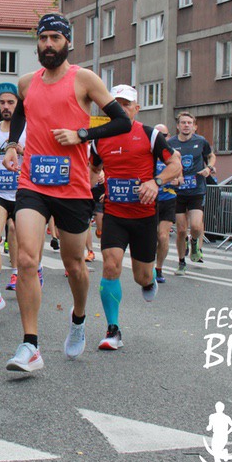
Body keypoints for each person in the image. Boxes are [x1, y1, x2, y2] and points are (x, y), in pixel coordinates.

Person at [2, 13, 131, 373]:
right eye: (43, 38)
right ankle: (30, 345)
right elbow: (21, 114)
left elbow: (122, 121)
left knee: (74, 265)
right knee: (27, 259)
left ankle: (78, 318)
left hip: (72, 186)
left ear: (67, 42)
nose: (48, 44)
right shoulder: (27, 83)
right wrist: (12, 144)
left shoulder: (84, 79)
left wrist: (82, 135)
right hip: (32, 183)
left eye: (55, 38)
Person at [87, 85, 181, 350]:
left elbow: (175, 165)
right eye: (115, 104)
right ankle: (113, 330)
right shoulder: (99, 139)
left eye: (126, 104)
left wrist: (156, 182)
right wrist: (91, 187)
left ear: (136, 109)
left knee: (141, 276)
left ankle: (148, 280)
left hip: (144, 216)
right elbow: (93, 168)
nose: (120, 108)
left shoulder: (150, 135)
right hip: (115, 214)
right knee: (110, 265)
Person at [0, 82, 32, 314]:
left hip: (23, 192)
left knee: (22, 240)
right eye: (2, 102)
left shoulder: (28, 128)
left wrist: (23, 152)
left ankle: (24, 272)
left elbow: (40, 156)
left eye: (11, 102)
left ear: (18, 104)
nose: (6, 106)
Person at [168, 112, 215, 274]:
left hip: (196, 189)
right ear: (178, 126)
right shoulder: (170, 143)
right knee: (181, 230)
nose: (186, 125)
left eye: (189, 123)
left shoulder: (200, 141)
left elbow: (211, 156)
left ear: (194, 126)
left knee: (195, 226)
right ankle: (181, 263)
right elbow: (165, 163)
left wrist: (209, 168)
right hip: (178, 192)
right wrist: (173, 177)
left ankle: (194, 242)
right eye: (183, 122)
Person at [153, 124, 176, 284]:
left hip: (168, 199)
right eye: (158, 135)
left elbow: (180, 177)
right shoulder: (146, 154)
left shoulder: (174, 155)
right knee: (151, 236)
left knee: (163, 236)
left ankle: (159, 268)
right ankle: (149, 264)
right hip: (150, 200)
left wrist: (177, 180)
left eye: (164, 135)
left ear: (168, 137)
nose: (161, 138)